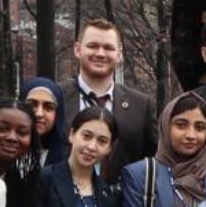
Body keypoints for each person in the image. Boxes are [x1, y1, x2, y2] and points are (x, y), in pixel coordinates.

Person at [63, 17, 158, 179]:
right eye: (92, 46)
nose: (100, 53)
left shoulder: (142, 106)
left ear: (119, 54)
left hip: (122, 201)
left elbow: (151, 161)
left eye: (108, 48)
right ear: (77, 50)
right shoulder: (56, 98)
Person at [22, 78, 70, 169]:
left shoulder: (69, 158)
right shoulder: (6, 151)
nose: (39, 113)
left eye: (48, 107)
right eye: (32, 105)